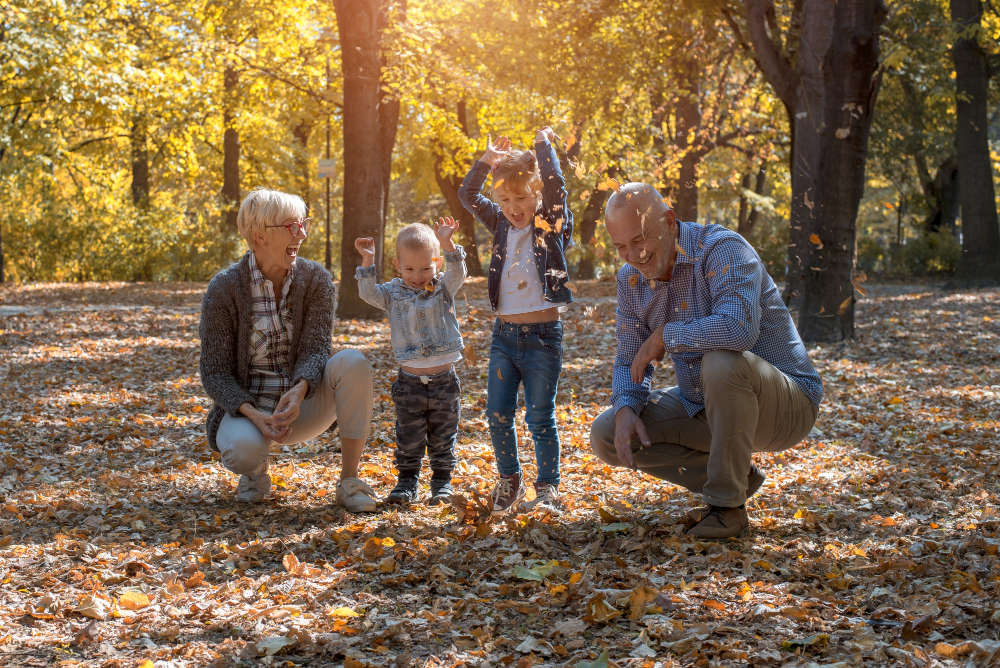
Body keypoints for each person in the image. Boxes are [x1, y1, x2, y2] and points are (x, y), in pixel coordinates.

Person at [589, 183, 823, 538]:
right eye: (621, 246)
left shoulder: (722, 249)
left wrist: (667, 335)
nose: (633, 255)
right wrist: (625, 408)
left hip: (787, 405)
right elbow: (628, 357)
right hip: (707, 405)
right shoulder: (630, 280)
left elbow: (738, 329)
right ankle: (736, 475)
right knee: (607, 434)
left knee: (720, 361)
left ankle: (727, 509)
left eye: (640, 240)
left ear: (669, 221)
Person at [199, 187, 377, 512]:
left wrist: (299, 390)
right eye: (293, 227)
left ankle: (350, 480)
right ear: (260, 235)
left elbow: (316, 348)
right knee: (242, 452)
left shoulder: (316, 281)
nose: (303, 233)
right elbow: (215, 372)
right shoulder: (223, 290)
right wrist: (251, 413)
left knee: (353, 362)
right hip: (250, 410)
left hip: (303, 404)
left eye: (304, 224)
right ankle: (254, 473)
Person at [458, 126, 573, 515]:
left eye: (521, 197)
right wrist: (487, 160)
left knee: (540, 416)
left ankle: (548, 488)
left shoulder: (550, 226)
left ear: (537, 194)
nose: (513, 206)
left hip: (543, 338)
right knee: (497, 413)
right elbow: (467, 195)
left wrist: (543, 147)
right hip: (504, 337)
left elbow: (557, 186)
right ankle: (510, 479)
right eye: (505, 199)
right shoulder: (501, 225)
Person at [354, 217, 467, 506]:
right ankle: (407, 482)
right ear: (397, 265)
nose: (418, 276)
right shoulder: (392, 294)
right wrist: (367, 261)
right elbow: (367, 293)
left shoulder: (443, 288)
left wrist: (447, 241)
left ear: (437, 264)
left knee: (443, 436)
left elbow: (459, 271)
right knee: (409, 436)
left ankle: (442, 483)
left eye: (426, 267)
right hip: (410, 383)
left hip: (444, 381)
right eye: (410, 269)